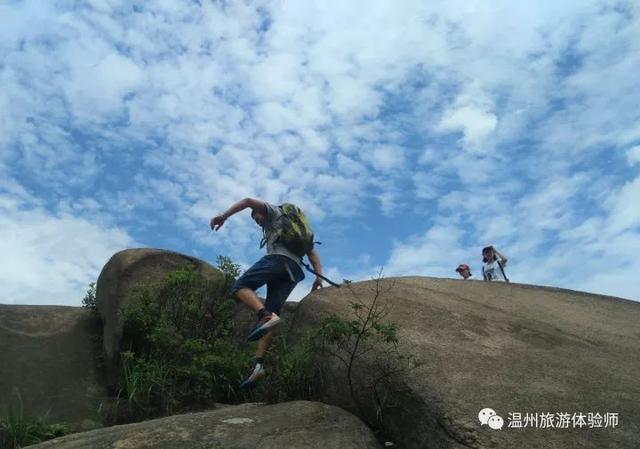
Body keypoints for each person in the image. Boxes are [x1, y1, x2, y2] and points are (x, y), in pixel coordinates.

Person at [210, 198, 324, 388]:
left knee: (240, 286)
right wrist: (319, 277)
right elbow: (312, 253)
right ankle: (258, 365)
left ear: (263, 211)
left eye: (257, 216)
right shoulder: (296, 229)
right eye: (255, 219)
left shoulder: (274, 213)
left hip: (278, 261)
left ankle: (263, 315)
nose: (257, 220)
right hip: (293, 272)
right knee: (274, 312)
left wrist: (223, 216)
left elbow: (247, 201)